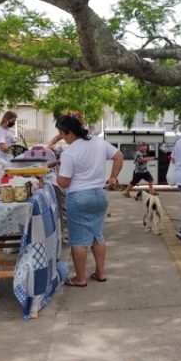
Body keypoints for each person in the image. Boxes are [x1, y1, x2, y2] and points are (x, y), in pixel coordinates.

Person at [55, 114, 123, 286]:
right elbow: (119, 156)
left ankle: (80, 278)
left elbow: (64, 182)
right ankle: (101, 272)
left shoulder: (69, 153)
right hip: (99, 196)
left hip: (78, 198)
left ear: (70, 133)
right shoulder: (98, 142)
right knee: (97, 236)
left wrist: (56, 173)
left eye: (62, 134)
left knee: (78, 240)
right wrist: (113, 177)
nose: (62, 138)